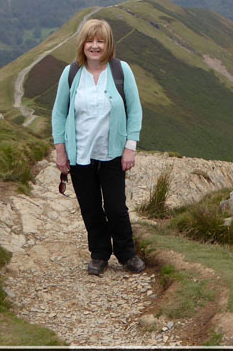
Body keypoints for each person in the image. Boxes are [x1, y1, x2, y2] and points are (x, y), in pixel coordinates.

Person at [51, 18, 145, 276]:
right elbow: (59, 114)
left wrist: (130, 148)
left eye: (100, 41)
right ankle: (99, 255)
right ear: (82, 44)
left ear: (108, 44)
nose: (94, 46)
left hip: (113, 154)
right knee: (91, 208)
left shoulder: (121, 71)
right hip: (80, 154)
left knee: (116, 208)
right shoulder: (71, 74)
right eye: (90, 41)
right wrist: (61, 150)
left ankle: (127, 254)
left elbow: (134, 110)